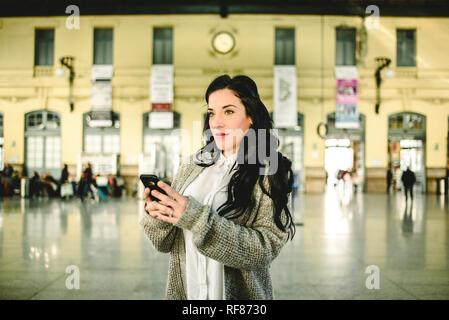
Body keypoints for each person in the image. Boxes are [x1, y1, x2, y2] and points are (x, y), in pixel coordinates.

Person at [140, 75, 295, 300]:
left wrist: (194, 217)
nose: (217, 122)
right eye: (212, 112)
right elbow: (164, 244)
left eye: (229, 111)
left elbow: (265, 249)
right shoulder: (191, 166)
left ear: (250, 116)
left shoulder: (269, 172)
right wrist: (159, 215)